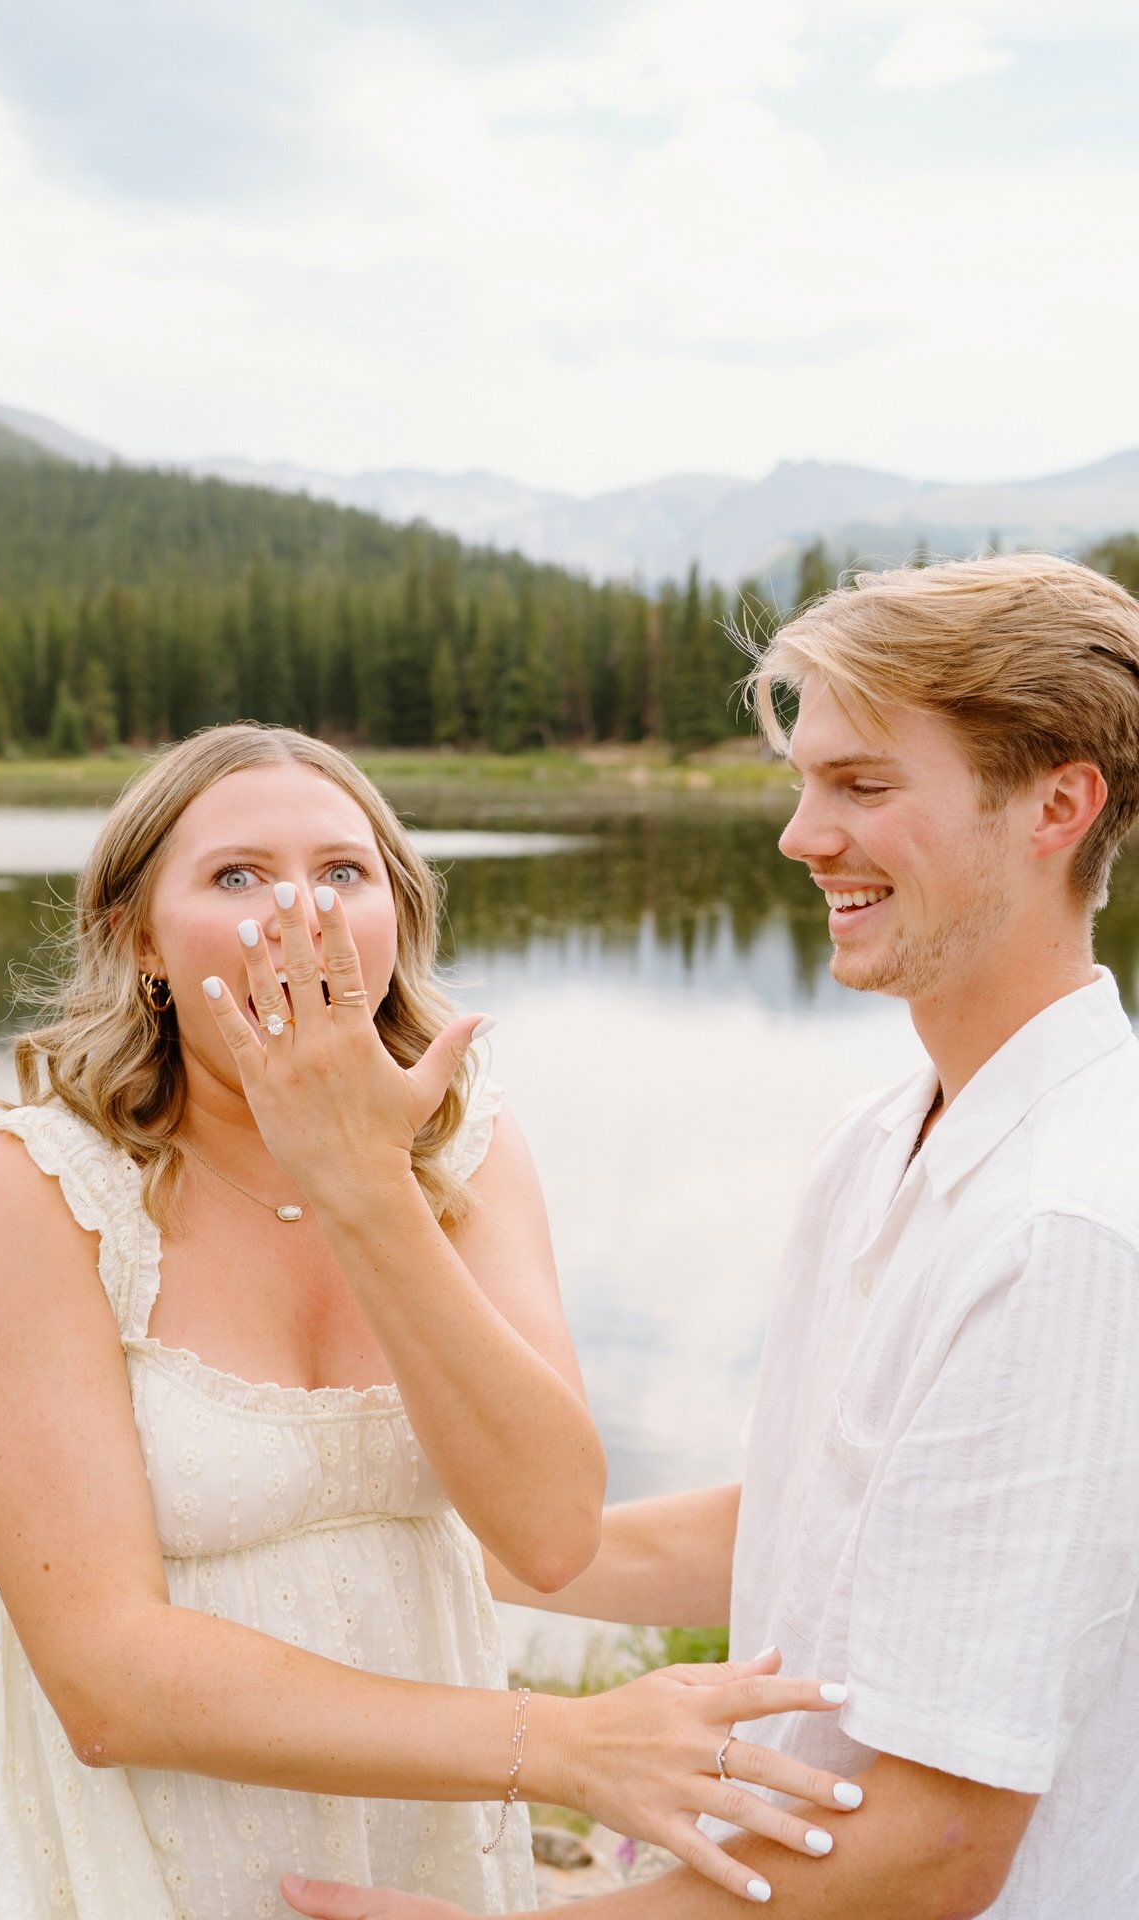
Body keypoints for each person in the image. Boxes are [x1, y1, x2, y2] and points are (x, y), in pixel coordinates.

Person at [281, 553, 1139, 1920]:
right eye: (803, 781)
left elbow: (937, 1845)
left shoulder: (1072, 1228)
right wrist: (431, 1558)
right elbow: (823, 1524)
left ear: (1057, 805)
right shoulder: (879, 1143)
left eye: (863, 787)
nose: (801, 837)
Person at [0, 724, 855, 1919]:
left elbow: (547, 1531)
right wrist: (558, 1745)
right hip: (132, 1850)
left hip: (417, 1839)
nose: (296, 911)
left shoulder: (470, 1150)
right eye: (236, 875)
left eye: (342, 872)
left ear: (394, 923)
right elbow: (110, 1685)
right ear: (140, 936)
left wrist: (368, 1188)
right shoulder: (26, 1193)